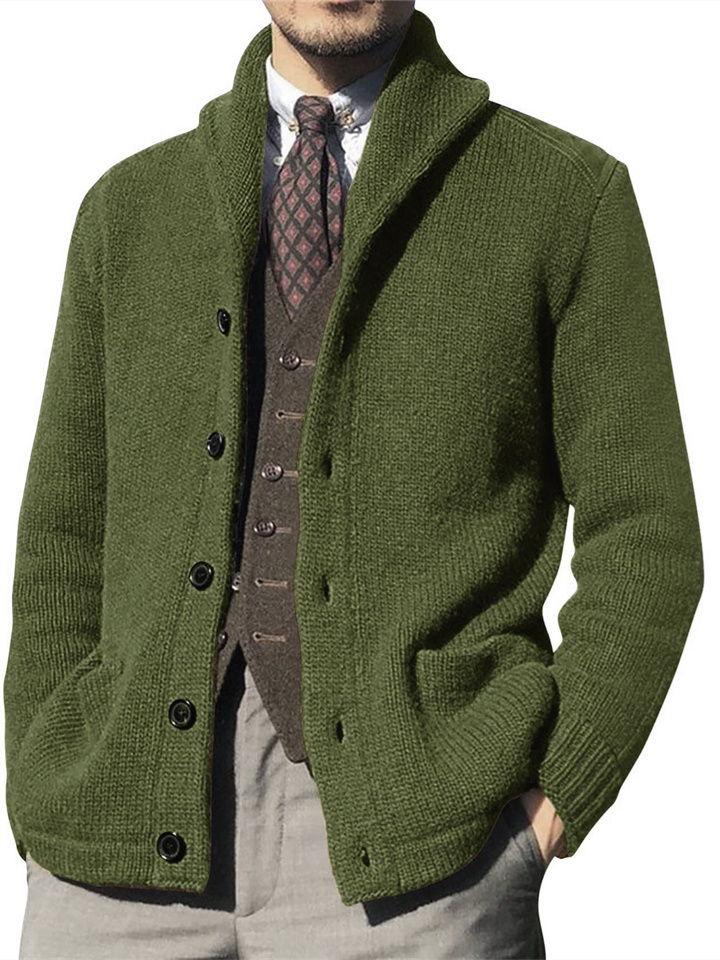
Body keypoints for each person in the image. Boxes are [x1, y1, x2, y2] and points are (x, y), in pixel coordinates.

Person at [4, 2, 703, 958]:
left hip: (424, 857)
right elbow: (62, 538)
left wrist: (552, 806)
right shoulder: (127, 210)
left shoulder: (562, 197)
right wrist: (40, 778)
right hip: (111, 849)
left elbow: (648, 537)